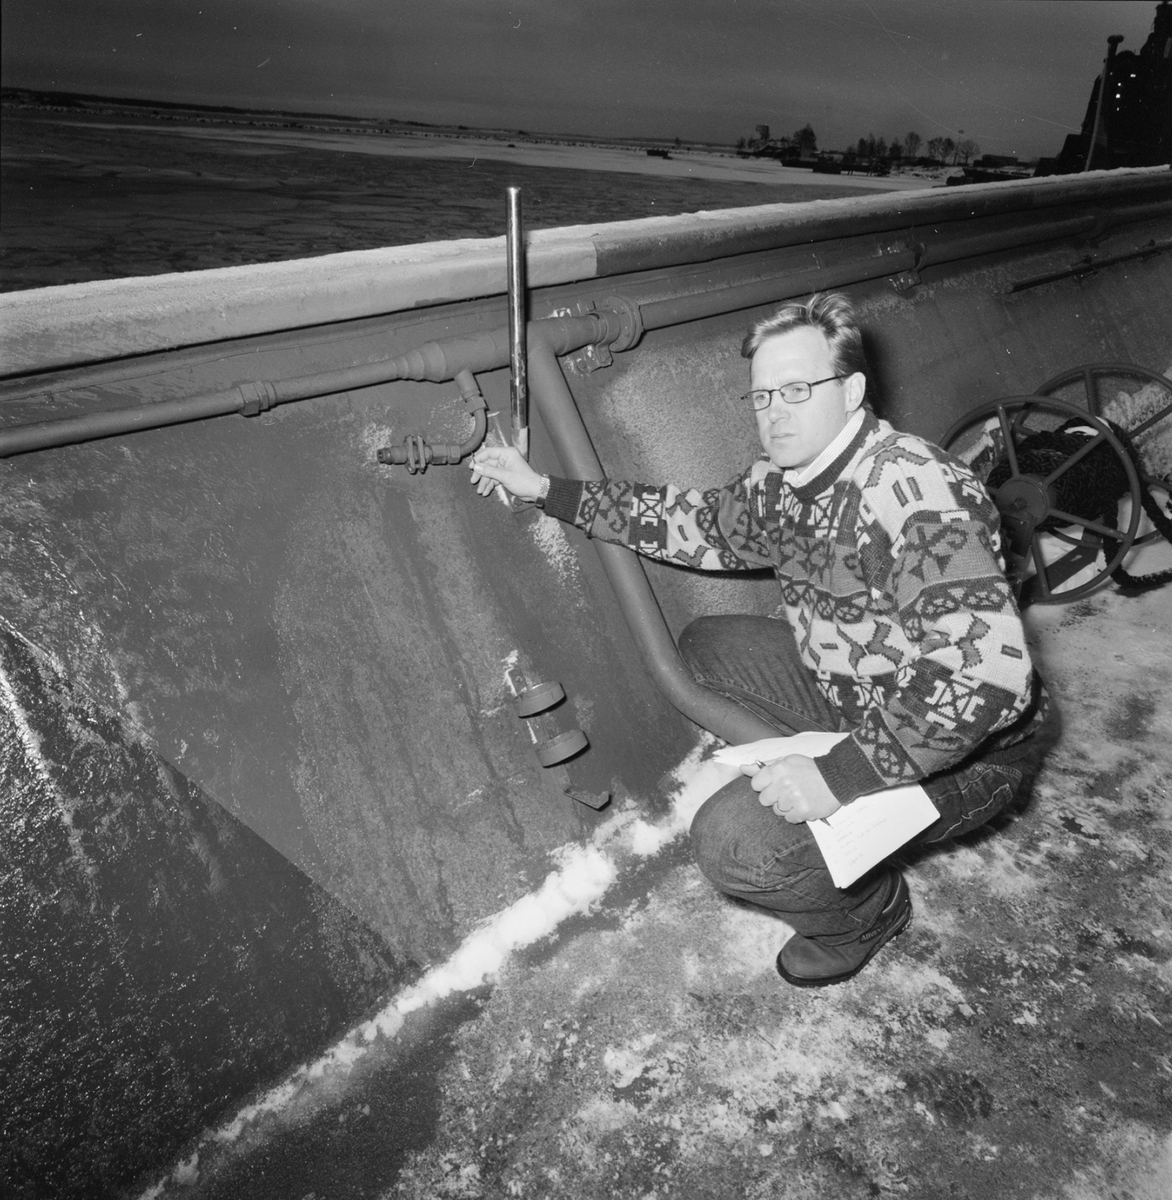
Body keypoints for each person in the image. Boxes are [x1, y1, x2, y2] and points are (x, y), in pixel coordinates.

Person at [469, 292, 1049, 988]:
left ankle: (868, 910)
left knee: (733, 845)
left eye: (798, 389)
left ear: (852, 391)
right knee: (709, 647)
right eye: (762, 395)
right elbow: (692, 523)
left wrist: (836, 777)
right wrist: (545, 489)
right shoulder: (784, 484)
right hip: (871, 697)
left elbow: (983, 678)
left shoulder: (916, 491)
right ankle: (844, 806)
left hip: (977, 754)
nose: (775, 411)